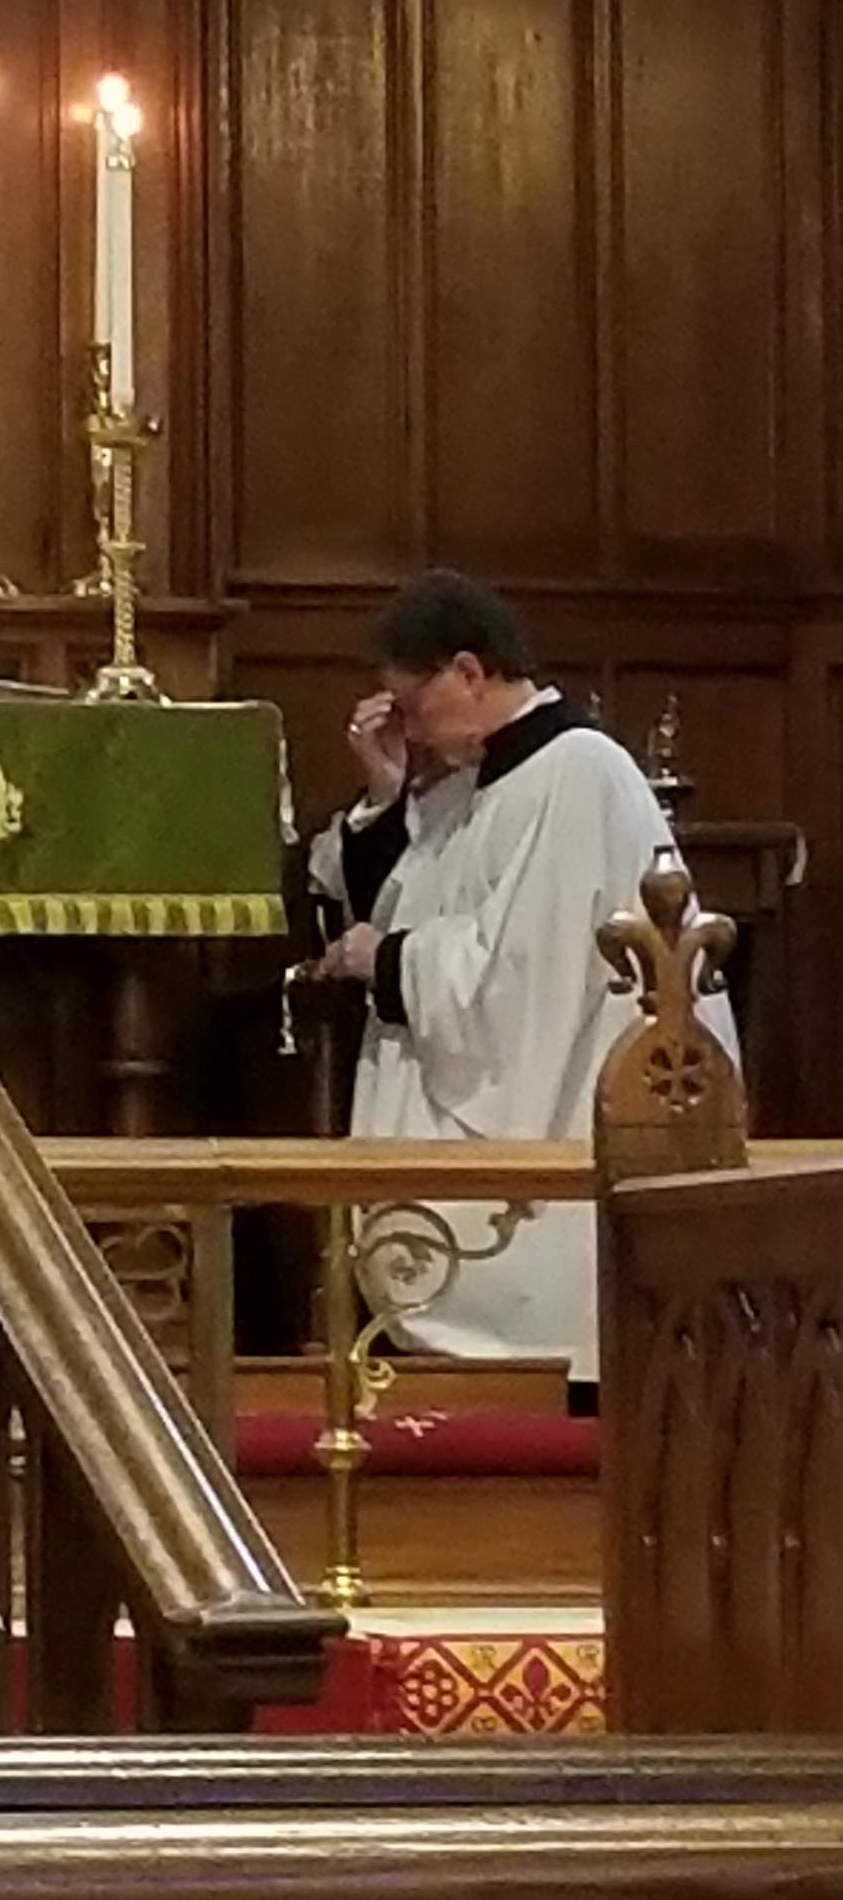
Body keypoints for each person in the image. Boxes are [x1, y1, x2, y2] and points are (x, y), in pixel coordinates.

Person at [309, 567, 736, 1382]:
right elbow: (413, 890)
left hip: (564, 1114)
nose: (413, 728)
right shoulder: (484, 780)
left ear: (469, 673)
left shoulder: (575, 774)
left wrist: (386, 957)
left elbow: (517, 982)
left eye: (413, 705)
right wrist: (385, 786)